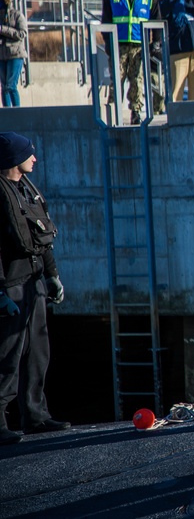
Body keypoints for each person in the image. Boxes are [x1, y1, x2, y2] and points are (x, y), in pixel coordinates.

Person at [0, 132, 71, 445]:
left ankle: (35, 415)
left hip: (35, 282)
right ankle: (0, 422)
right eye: (29, 153)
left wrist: (52, 275)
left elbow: (42, 234)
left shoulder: (26, 190)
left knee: (38, 352)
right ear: (14, 159)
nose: (35, 158)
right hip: (11, 286)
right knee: (7, 355)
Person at [101, 0, 163, 123]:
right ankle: (113, 111)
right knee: (117, 78)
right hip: (118, 45)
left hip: (139, 45)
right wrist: (108, 42)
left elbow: (156, 21)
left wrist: (155, 42)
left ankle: (135, 111)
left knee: (137, 78)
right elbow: (106, 21)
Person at [0, 0, 27, 109]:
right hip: (2, 54)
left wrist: (3, 29)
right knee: (4, 87)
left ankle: (17, 112)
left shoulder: (17, 15)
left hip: (15, 54)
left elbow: (22, 34)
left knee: (11, 85)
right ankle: (7, 114)